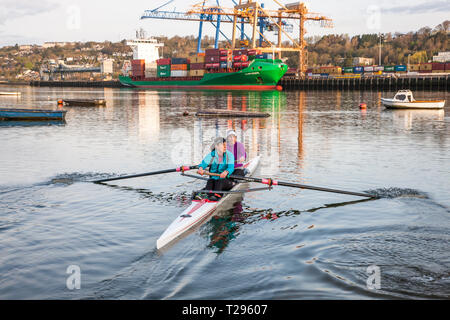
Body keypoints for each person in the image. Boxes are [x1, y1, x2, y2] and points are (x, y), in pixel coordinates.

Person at [195, 137, 235, 201]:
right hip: (213, 179)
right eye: (223, 145)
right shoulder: (212, 155)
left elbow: (231, 167)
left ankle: (216, 196)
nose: (225, 147)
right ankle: (207, 195)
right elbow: (204, 163)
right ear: (216, 146)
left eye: (226, 145)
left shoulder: (229, 155)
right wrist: (201, 168)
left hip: (225, 180)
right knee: (210, 181)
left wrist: (226, 172)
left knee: (219, 181)